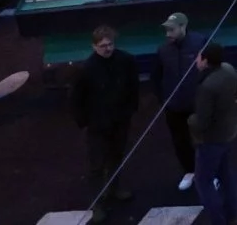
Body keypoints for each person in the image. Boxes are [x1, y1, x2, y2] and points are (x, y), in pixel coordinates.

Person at [70, 24, 140, 210]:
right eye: (103, 45)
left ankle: (114, 189)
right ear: (94, 47)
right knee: (97, 165)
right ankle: (97, 204)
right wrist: (84, 122)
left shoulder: (125, 60)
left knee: (116, 156)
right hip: (98, 124)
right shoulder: (86, 69)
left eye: (110, 44)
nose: (108, 48)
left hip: (119, 120)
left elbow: (133, 87)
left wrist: (130, 110)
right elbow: (76, 99)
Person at [189, 41, 237, 225]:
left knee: (203, 182)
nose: (196, 59)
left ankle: (218, 221)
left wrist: (190, 120)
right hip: (229, 132)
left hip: (212, 139)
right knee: (226, 175)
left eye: (199, 56)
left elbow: (202, 122)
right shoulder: (228, 69)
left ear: (205, 61)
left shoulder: (207, 87)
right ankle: (233, 215)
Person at [154, 12, 201, 191]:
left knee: (204, 140)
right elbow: (156, 76)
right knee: (180, 141)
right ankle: (189, 171)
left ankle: (210, 172)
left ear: (183, 27)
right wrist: (163, 99)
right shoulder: (163, 50)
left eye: (171, 30)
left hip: (197, 103)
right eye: (166, 30)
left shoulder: (200, 43)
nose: (168, 34)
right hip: (174, 106)